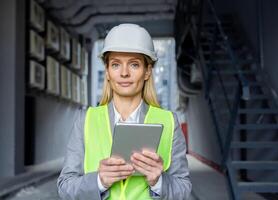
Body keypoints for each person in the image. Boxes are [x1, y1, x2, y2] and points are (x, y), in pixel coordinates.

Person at [57, 23, 192, 200]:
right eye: (115, 65)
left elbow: (184, 188)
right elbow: (65, 187)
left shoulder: (169, 122)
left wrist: (159, 181)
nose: (124, 73)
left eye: (134, 65)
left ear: (147, 71)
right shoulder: (86, 120)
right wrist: (99, 181)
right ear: (107, 71)